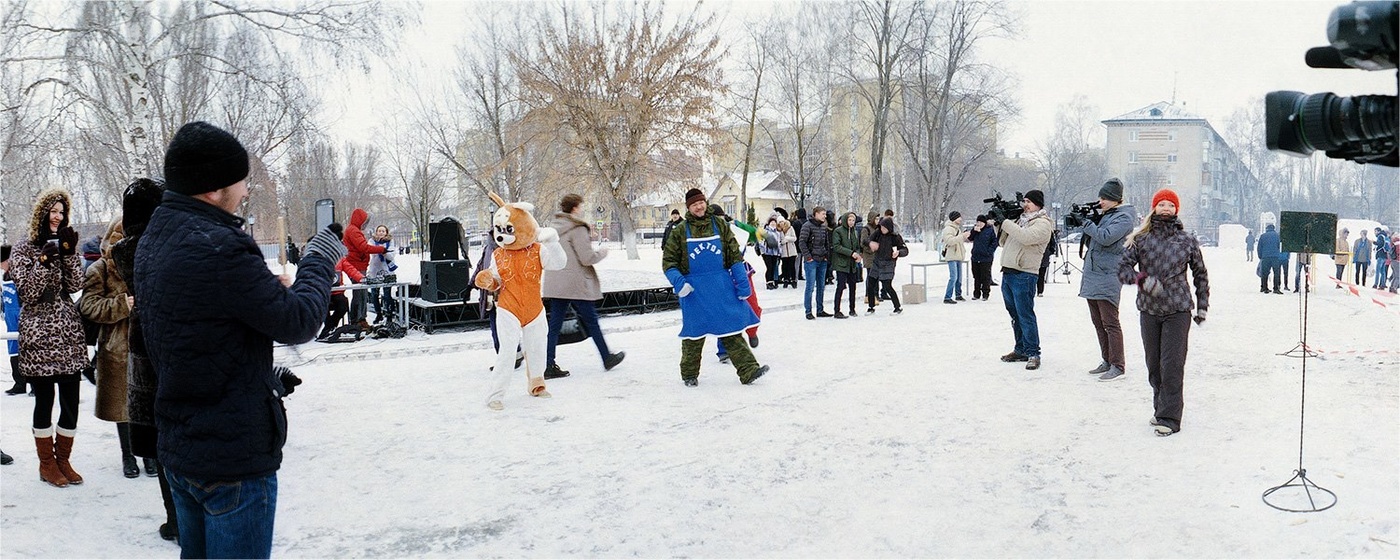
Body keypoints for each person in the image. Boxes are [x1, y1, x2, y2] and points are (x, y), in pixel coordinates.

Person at [136, 121, 344, 558]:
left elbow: (193, 327)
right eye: (241, 178)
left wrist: (255, 372)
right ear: (213, 188)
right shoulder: (221, 247)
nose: (246, 189)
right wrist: (319, 258)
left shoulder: (158, 235)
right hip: (230, 459)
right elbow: (299, 321)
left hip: (181, 445)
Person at [109, 177, 179, 541]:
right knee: (177, 435)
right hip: (168, 345)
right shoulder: (163, 247)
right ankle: (184, 520)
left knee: (160, 437)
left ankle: (173, 518)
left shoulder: (123, 251)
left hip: (141, 346)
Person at [10, 188, 88, 488]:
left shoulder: (65, 240)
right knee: (45, 400)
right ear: (42, 213)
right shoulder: (23, 248)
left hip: (67, 332)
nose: (58, 217)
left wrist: (68, 255)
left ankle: (64, 459)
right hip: (38, 332)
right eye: (53, 211)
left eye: (62, 212)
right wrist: (43, 261)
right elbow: (27, 292)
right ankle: (46, 463)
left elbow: (76, 284)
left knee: (71, 402)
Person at [1117, 188, 1209, 437]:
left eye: (1170, 205)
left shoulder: (1187, 240)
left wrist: (1202, 305)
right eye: (1162, 204)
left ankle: (1170, 417)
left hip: (1178, 310)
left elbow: (1200, 274)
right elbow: (1123, 269)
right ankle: (1160, 408)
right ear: (1154, 208)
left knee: (1172, 364)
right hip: (1149, 310)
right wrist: (1142, 280)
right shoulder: (1141, 239)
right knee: (1154, 365)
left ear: (1176, 210)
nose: (1166, 209)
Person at [662, 188, 768, 387]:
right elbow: (668, 262)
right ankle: (689, 374)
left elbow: (733, 255)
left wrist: (742, 282)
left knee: (730, 329)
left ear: (705, 203)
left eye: (701, 202)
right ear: (689, 208)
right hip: (693, 291)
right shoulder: (679, 231)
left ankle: (748, 370)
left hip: (721, 287)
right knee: (694, 334)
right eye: (694, 205)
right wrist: (679, 282)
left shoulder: (720, 224)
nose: (699, 207)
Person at [78, 219, 143, 478]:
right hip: (117, 346)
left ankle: (148, 454)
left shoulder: (148, 261)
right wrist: (120, 304)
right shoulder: (101, 268)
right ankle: (128, 455)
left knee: (147, 401)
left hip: (147, 342)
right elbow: (89, 306)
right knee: (121, 404)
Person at [543, 193, 625, 378]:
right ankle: (607, 358)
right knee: (592, 321)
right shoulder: (577, 228)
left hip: (556, 283)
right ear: (575, 208)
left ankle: (548, 364)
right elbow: (587, 258)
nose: (581, 209)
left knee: (554, 325)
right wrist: (602, 252)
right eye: (580, 206)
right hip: (575, 283)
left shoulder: (553, 228)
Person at [1071, 178, 1137, 382]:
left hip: (1108, 274)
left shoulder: (1124, 218)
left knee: (1110, 322)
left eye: (1104, 198)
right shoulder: (1108, 215)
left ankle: (1118, 364)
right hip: (1094, 273)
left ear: (1116, 199)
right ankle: (1107, 360)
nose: (1101, 202)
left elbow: (1106, 237)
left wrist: (1087, 223)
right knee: (1098, 322)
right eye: (1100, 197)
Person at [995, 189, 1053, 370]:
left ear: (1038, 204)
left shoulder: (1043, 223)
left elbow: (1026, 238)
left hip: (1025, 274)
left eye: (1029, 201)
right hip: (1009, 272)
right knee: (1014, 315)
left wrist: (1005, 221)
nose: (1025, 205)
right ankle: (1020, 349)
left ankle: (1033, 352)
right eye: (1024, 201)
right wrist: (1000, 222)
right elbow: (1003, 241)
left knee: (1025, 315)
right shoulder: (1020, 220)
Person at [341, 208, 386, 331]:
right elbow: (363, 248)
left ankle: (357, 319)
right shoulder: (354, 231)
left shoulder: (351, 230)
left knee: (359, 293)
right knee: (360, 293)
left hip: (357, 264)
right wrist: (381, 249)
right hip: (357, 265)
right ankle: (359, 319)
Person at [868, 217, 908, 314]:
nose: (882, 229)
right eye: (881, 227)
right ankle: (871, 306)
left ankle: (897, 307)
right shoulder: (878, 233)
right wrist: (870, 243)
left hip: (888, 264)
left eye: (884, 228)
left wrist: (898, 252)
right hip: (877, 262)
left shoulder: (895, 237)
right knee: (870, 284)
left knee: (887, 286)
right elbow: (867, 240)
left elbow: (905, 250)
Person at [798, 206, 832, 319]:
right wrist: (808, 257)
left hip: (822, 260)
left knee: (821, 286)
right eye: (823, 214)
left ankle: (820, 309)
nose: (825, 216)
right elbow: (802, 242)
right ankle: (808, 311)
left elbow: (826, 243)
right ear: (816, 214)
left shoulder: (823, 227)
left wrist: (826, 256)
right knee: (810, 286)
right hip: (811, 261)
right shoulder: (807, 226)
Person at [2, 244, 26, 396]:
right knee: (13, 349)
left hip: (21, 316)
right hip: (10, 319)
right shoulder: (5, 276)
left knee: (26, 348)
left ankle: (33, 384)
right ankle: (19, 383)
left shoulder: (19, 274)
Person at [830, 211, 864, 318]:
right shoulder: (838, 231)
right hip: (841, 263)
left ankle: (852, 309)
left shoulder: (854, 232)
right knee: (840, 286)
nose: (851, 222)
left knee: (853, 286)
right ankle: (837, 310)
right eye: (849, 220)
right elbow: (837, 246)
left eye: (853, 220)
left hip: (852, 264)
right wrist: (851, 253)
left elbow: (857, 246)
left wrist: (858, 254)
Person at [367, 224, 398, 322]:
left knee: (387, 294)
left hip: (386, 270)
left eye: (383, 231)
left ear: (386, 233)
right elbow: (369, 250)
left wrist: (384, 253)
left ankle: (389, 314)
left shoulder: (390, 242)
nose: (381, 232)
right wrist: (379, 250)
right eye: (379, 231)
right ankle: (378, 314)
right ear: (376, 232)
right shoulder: (372, 241)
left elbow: (391, 255)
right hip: (374, 270)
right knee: (374, 294)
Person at [941, 211, 969, 304]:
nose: (960, 219)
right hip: (952, 256)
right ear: (954, 218)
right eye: (958, 217)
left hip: (958, 255)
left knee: (959, 277)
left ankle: (958, 294)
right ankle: (947, 297)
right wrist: (962, 237)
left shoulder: (957, 228)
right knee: (953, 277)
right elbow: (949, 241)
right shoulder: (948, 229)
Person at [969, 215, 998, 301]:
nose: (979, 224)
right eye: (978, 222)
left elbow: (995, 242)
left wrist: (989, 251)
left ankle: (985, 294)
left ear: (984, 223)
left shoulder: (989, 230)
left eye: (981, 222)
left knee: (985, 276)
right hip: (975, 256)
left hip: (986, 258)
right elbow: (970, 238)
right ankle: (976, 294)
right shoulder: (975, 229)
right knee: (976, 276)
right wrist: (974, 231)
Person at [861, 211, 882, 312]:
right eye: (876, 219)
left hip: (876, 256)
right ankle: (870, 295)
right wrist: (872, 249)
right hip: (869, 256)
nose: (877, 221)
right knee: (871, 276)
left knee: (876, 276)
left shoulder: (877, 229)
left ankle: (874, 295)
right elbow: (863, 243)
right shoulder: (866, 229)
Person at [1257, 223, 1282, 294]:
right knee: (1276, 273)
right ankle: (1276, 288)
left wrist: (1260, 256)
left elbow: (1259, 247)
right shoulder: (1277, 236)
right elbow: (1278, 246)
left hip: (1265, 257)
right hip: (1275, 257)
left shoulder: (1262, 236)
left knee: (1265, 273)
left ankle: (1264, 287)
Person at [761, 216, 782, 289]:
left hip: (775, 253)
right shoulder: (765, 231)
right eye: (772, 222)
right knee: (769, 267)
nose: (773, 224)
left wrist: (779, 252)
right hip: (767, 253)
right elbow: (761, 242)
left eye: (774, 222)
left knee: (773, 267)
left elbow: (779, 243)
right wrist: (763, 250)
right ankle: (768, 282)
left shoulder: (777, 233)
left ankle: (772, 282)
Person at [1037, 228, 1059, 296]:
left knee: (1040, 274)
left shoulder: (1048, 231)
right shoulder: (1048, 231)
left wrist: (1049, 251)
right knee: (1040, 275)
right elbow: (1053, 245)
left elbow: (1053, 244)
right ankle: (1039, 291)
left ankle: (1039, 291)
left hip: (1042, 254)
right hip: (1041, 255)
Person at [777, 217, 798, 288]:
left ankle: (793, 280)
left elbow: (794, 238)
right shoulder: (779, 231)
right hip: (784, 252)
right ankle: (786, 279)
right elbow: (778, 241)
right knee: (784, 266)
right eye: (779, 222)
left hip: (792, 250)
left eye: (782, 221)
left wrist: (788, 238)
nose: (781, 223)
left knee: (792, 266)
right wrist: (782, 241)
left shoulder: (790, 228)